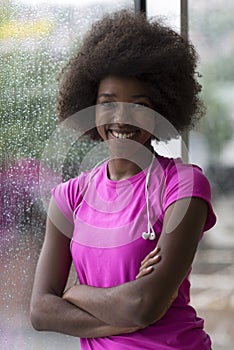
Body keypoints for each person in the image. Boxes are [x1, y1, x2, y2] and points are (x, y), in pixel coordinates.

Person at [30, 10, 216, 350]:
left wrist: (75, 293)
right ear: (89, 106)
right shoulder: (69, 197)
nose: (121, 118)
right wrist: (130, 312)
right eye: (107, 104)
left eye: (139, 105)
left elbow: (144, 305)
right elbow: (41, 311)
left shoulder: (183, 186)